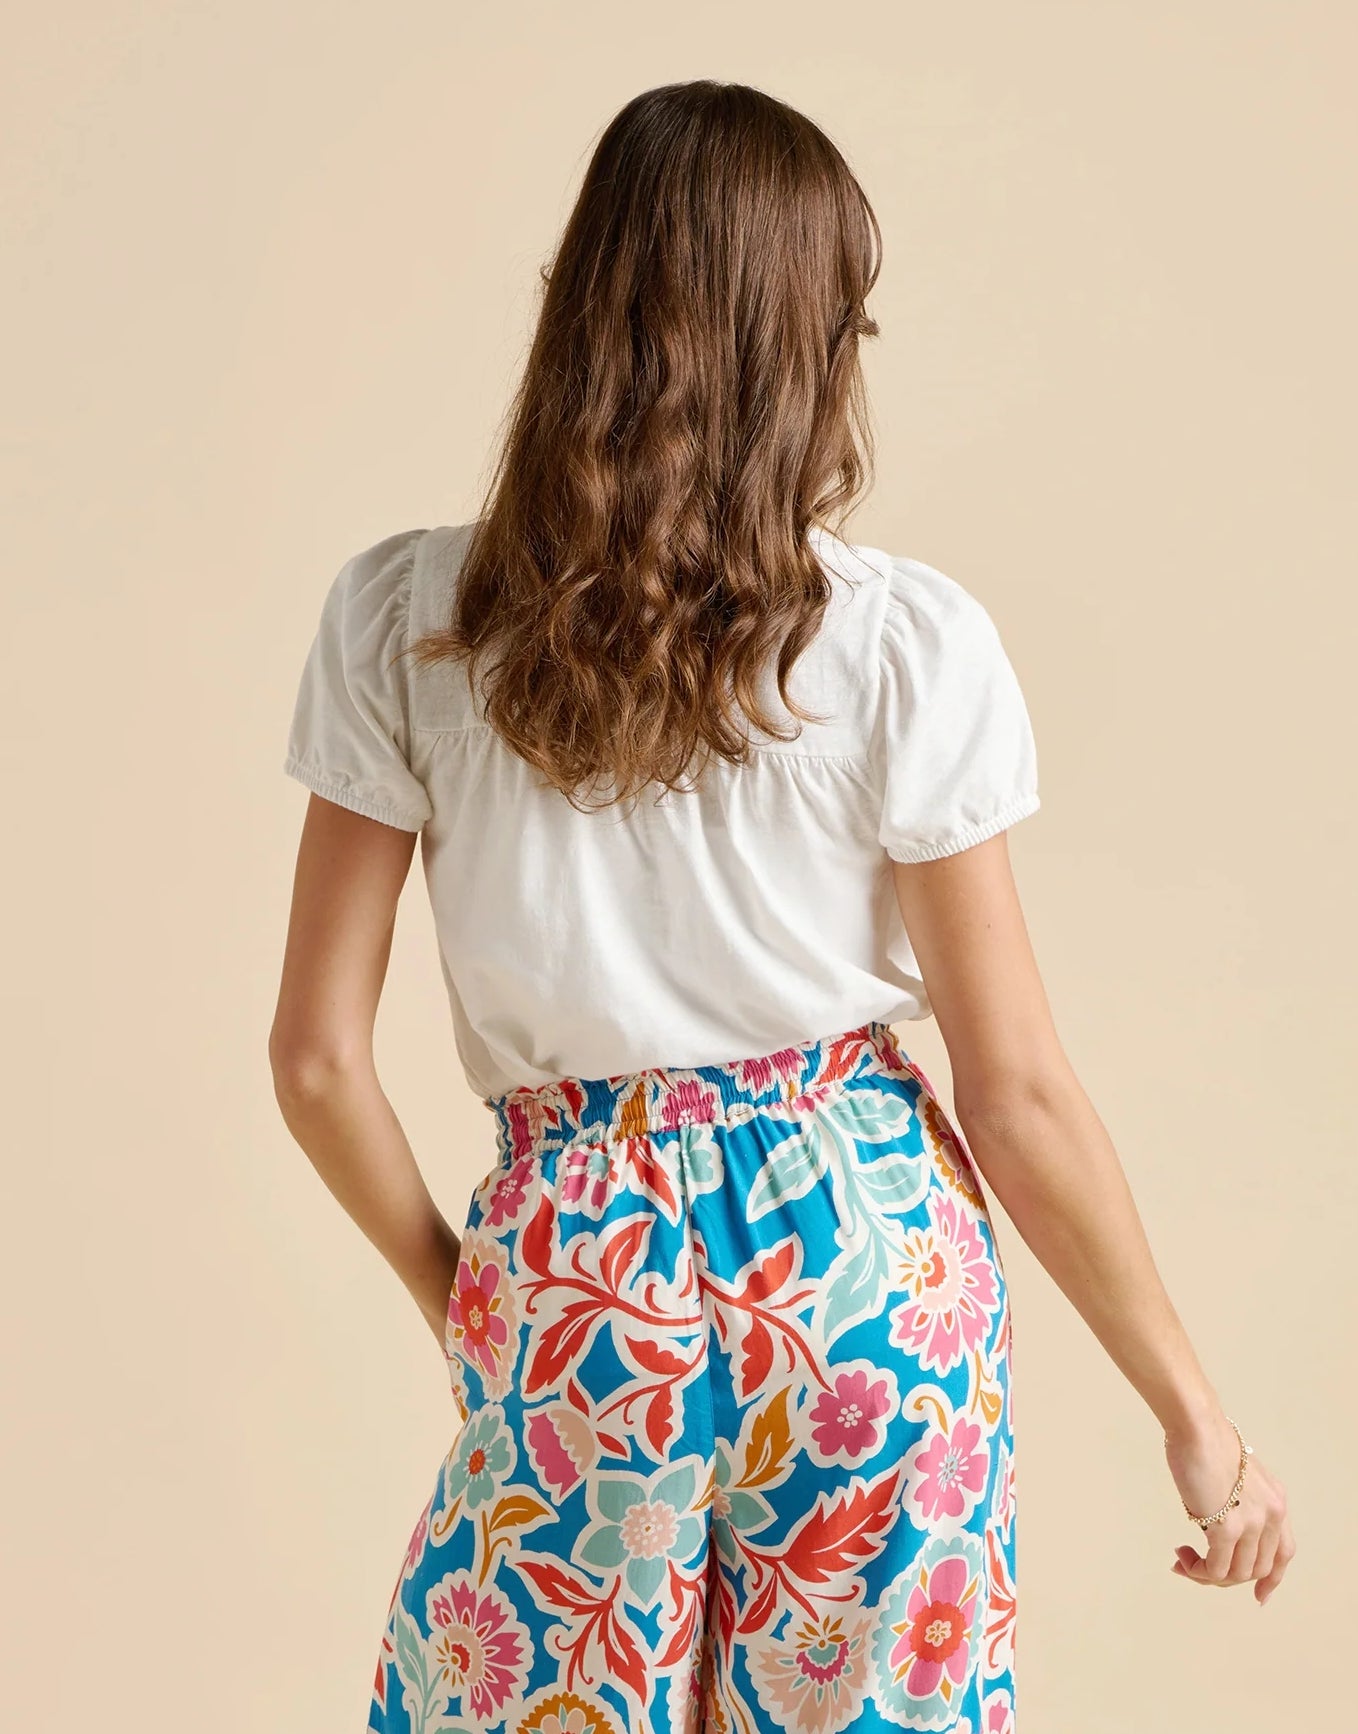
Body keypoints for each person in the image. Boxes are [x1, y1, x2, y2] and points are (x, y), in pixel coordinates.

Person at [269, 79, 1293, 1734]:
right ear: (811, 344)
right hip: (866, 1257)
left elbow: (317, 1057)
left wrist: (477, 1302)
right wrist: (1196, 1418)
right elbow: (1013, 1091)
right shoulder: (906, 644)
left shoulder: (405, 617)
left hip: (577, 1263)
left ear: (576, 307)